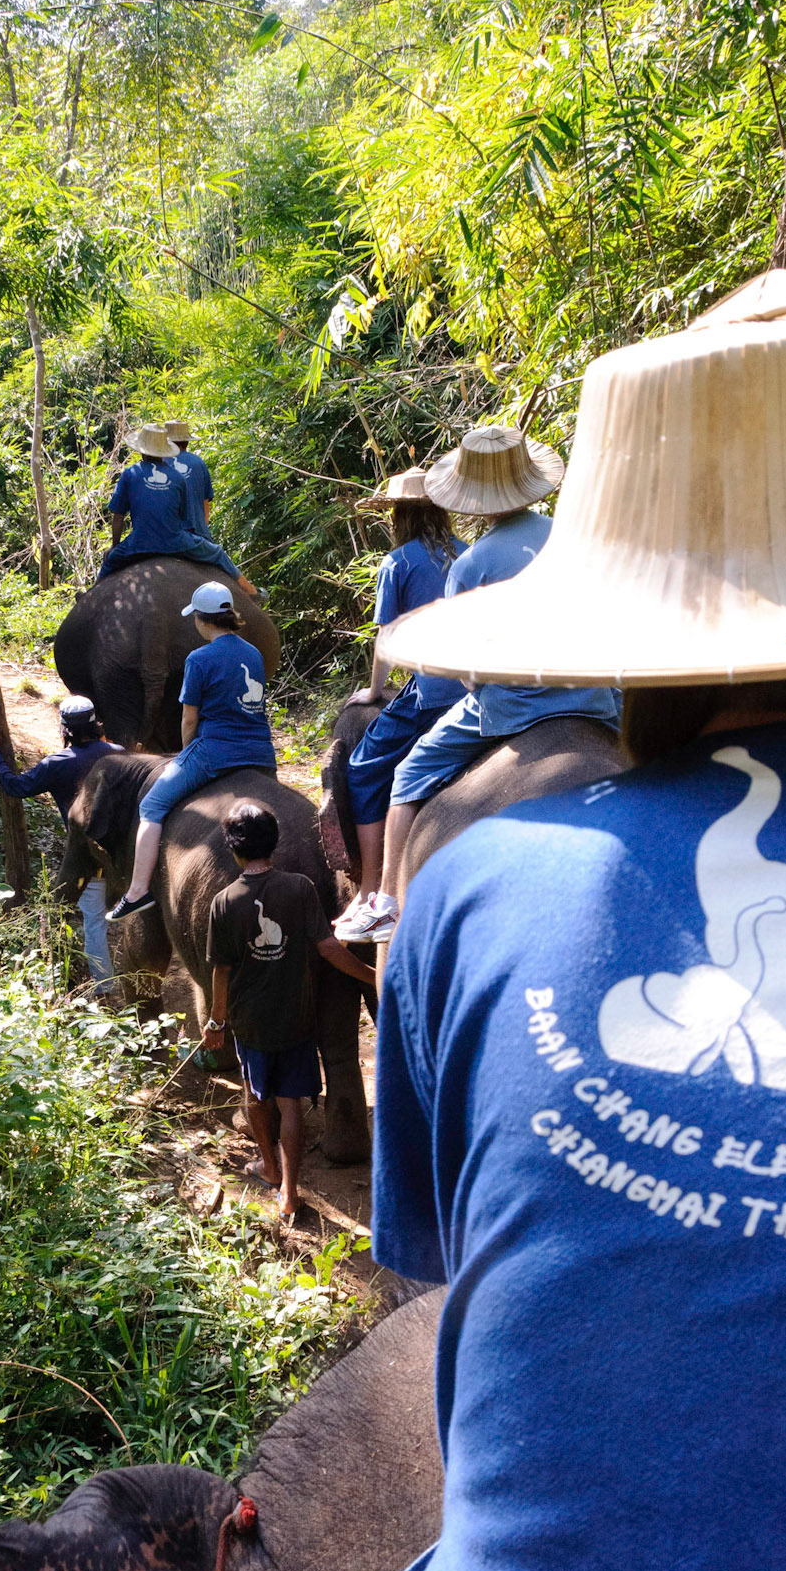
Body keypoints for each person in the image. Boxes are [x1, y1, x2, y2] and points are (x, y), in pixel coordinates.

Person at [245, 271, 786, 1571]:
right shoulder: (474, 538)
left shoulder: (489, 874)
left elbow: (450, 1328)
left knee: (386, 795)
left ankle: (341, 915)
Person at [334, 424, 620, 944]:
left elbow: (464, 670)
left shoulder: (473, 563)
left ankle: (388, 905)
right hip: (595, 693)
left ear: (472, 497)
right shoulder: (573, 536)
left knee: (409, 774)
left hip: (512, 706)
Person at [205, 800, 376, 1221]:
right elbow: (329, 948)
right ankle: (290, 1191)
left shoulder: (224, 903)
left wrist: (216, 1022)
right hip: (296, 1017)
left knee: (255, 1096)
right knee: (291, 1105)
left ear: (233, 849)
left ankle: (268, 1165)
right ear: (275, 843)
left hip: (250, 1023)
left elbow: (221, 972)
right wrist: (374, 976)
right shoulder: (300, 888)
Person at [107, 581, 276, 922]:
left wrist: (186, 754)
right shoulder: (253, 653)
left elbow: (189, 718)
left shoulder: (199, 659)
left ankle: (137, 891)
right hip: (261, 753)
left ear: (202, 619)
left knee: (151, 805)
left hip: (215, 752)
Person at [338, 467, 464, 907]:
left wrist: (375, 691)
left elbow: (387, 638)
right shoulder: (468, 552)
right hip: (478, 690)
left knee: (363, 769)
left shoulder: (399, 562)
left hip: (433, 694)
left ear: (399, 516)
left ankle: (372, 888)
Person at [0, 695, 119, 990]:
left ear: (64, 730)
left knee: (93, 921)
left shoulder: (57, 764)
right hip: (128, 858)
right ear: (96, 724)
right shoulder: (119, 754)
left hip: (88, 860)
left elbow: (14, 786)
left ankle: (103, 989)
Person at [99, 423, 257, 591]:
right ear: (164, 449)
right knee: (217, 553)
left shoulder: (130, 474)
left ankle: (89, 596)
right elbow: (183, 518)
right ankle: (251, 591)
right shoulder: (177, 476)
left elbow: (118, 516)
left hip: (139, 542)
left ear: (142, 449)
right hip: (175, 541)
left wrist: (114, 547)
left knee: (109, 562)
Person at [164, 417, 214, 537]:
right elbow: (205, 507)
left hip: (165, 534)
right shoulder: (199, 463)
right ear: (186, 441)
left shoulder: (159, 462)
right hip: (196, 534)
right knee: (220, 556)